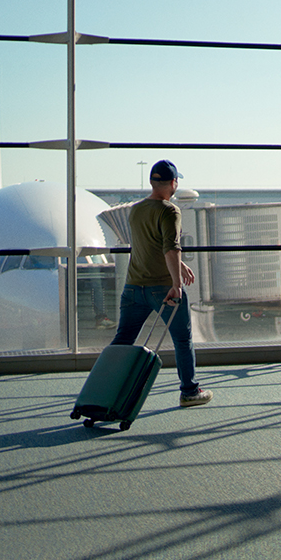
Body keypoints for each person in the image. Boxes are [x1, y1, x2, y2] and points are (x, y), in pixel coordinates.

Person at [108, 160, 212, 407]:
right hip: (162, 288)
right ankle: (189, 391)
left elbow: (149, 246)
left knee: (122, 341)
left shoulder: (136, 209)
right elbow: (171, 247)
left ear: (152, 182)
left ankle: (104, 385)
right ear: (174, 183)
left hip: (133, 287)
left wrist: (180, 265)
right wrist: (176, 283)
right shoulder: (170, 210)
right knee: (182, 340)